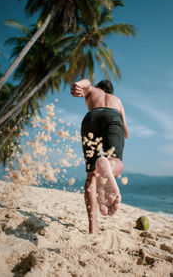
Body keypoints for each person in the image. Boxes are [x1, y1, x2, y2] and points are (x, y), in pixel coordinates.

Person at [71, 79, 128, 234]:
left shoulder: (93, 91)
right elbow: (126, 132)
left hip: (91, 118)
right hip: (113, 117)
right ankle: (108, 166)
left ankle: (93, 227)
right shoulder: (117, 100)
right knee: (116, 160)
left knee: (91, 175)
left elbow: (86, 83)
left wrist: (78, 85)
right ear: (111, 92)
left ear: (99, 87)